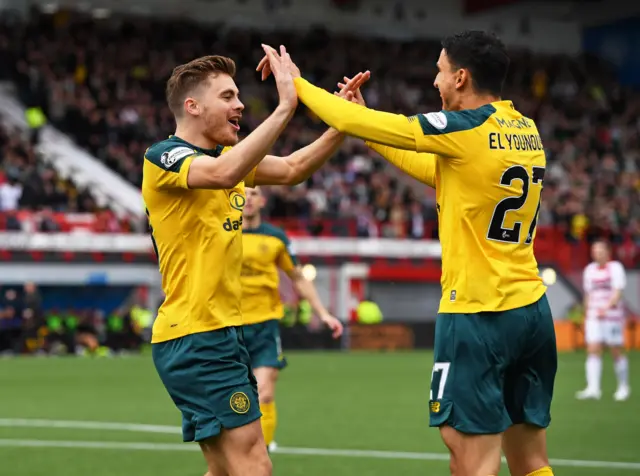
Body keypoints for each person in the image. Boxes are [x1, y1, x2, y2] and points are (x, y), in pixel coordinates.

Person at [259, 31, 556, 476]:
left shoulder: (466, 127)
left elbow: (390, 128)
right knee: (531, 461)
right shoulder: (524, 130)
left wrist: (297, 85)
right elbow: (441, 173)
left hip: (480, 314)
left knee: (466, 453)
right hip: (531, 311)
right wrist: (365, 126)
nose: (435, 82)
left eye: (439, 71)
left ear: (460, 77)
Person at [143, 48, 365, 476]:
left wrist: (343, 122)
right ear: (193, 106)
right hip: (196, 335)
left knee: (227, 468)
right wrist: (285, 106)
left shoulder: (228, 161)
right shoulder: (164, 157)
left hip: (219, 334)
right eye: (227, 96)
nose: (240, 104)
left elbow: (293, 167)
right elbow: (224, 176)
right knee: (254, 466)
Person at [241, 186, 343, 450]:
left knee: (263, 393)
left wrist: (323, 313)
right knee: (235, 398)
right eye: (242, 193)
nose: (248, 198)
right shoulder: (221, 234)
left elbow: (297, 276)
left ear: (262, 201)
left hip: (264, 325)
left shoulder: (275, 237)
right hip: (228, 326)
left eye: (253, 193)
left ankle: (261, 451)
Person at [577, 239, 629, 401]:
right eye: (594, 250)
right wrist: (586, 314)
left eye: (600, 250)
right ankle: (593, 388)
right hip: (594, 316)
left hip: (612, 316)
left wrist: (606, 308)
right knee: (593, 348)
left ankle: (623, 386)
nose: (596, 253)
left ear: (608, 252)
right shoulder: (589, 270)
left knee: (615, 350)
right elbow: (588, 294)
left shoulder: (616, 268)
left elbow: (618, 292)